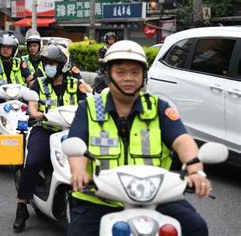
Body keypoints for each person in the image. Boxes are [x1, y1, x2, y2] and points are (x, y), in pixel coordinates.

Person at [66, 40, 210, 236]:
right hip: (100, 199)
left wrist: (195, 171)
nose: (128, 78)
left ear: (144, 76)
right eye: (121, 72)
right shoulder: (90, 108)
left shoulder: (158, 108)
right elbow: (76, 145)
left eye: (135, 72)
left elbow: (182, 140)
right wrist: (79, 172)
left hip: (156, 198)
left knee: (196, 227)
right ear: (108, 75)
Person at [13, 44, 87, 232]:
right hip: (45, 129)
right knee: (32, 164)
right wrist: (38, 115)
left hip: (73, 131)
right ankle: (21, 206)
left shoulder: (75, 83)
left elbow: (90, 101)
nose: (48, 67)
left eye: (52, 63)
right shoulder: (39, 83)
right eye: (46, 63)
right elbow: (32, 107)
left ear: (62, 65)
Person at [0, 34, 33, 129]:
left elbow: (30, 78)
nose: (5, 49)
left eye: (9, 47)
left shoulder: (19, 62)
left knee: (31, 111)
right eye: (3, 47)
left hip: (18, 97)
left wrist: (34, 88)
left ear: (14, 49)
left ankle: (27, 133)